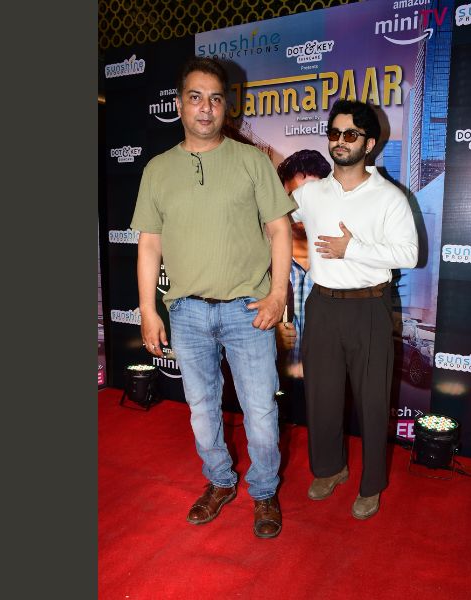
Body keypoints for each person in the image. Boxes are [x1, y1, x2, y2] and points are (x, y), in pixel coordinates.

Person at [129, 57, 296, 539]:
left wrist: (277, 294)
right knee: (202, 410)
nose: (206, 108)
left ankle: (264, 491)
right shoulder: (158, 169)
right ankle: (220, 482)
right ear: (180, 104)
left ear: (227, 107)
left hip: (249, 310)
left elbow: (280, 230)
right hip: (186, 312)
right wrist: (148, 310)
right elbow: (149, 245)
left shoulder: (251, 161)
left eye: (215, 98)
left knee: (260, 411)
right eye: (196, 97)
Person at [291, 99, 418, 519]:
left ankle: (371, 485)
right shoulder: (310, 193)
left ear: (370, 143)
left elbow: (410, 253)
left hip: (370, 308)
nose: (340, 141)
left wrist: (353, 248)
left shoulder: (389, 197)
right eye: (334, 133)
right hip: (322, 306)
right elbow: (274, 218)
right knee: (322, 397)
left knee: (373, 402)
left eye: (350, 134)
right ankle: (330, 469)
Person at [275, 150, 331, 379]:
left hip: (327, 387)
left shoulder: (346, 261)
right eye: (294, 197)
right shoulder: (260, 259)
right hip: (276, 386)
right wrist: (268, 336)